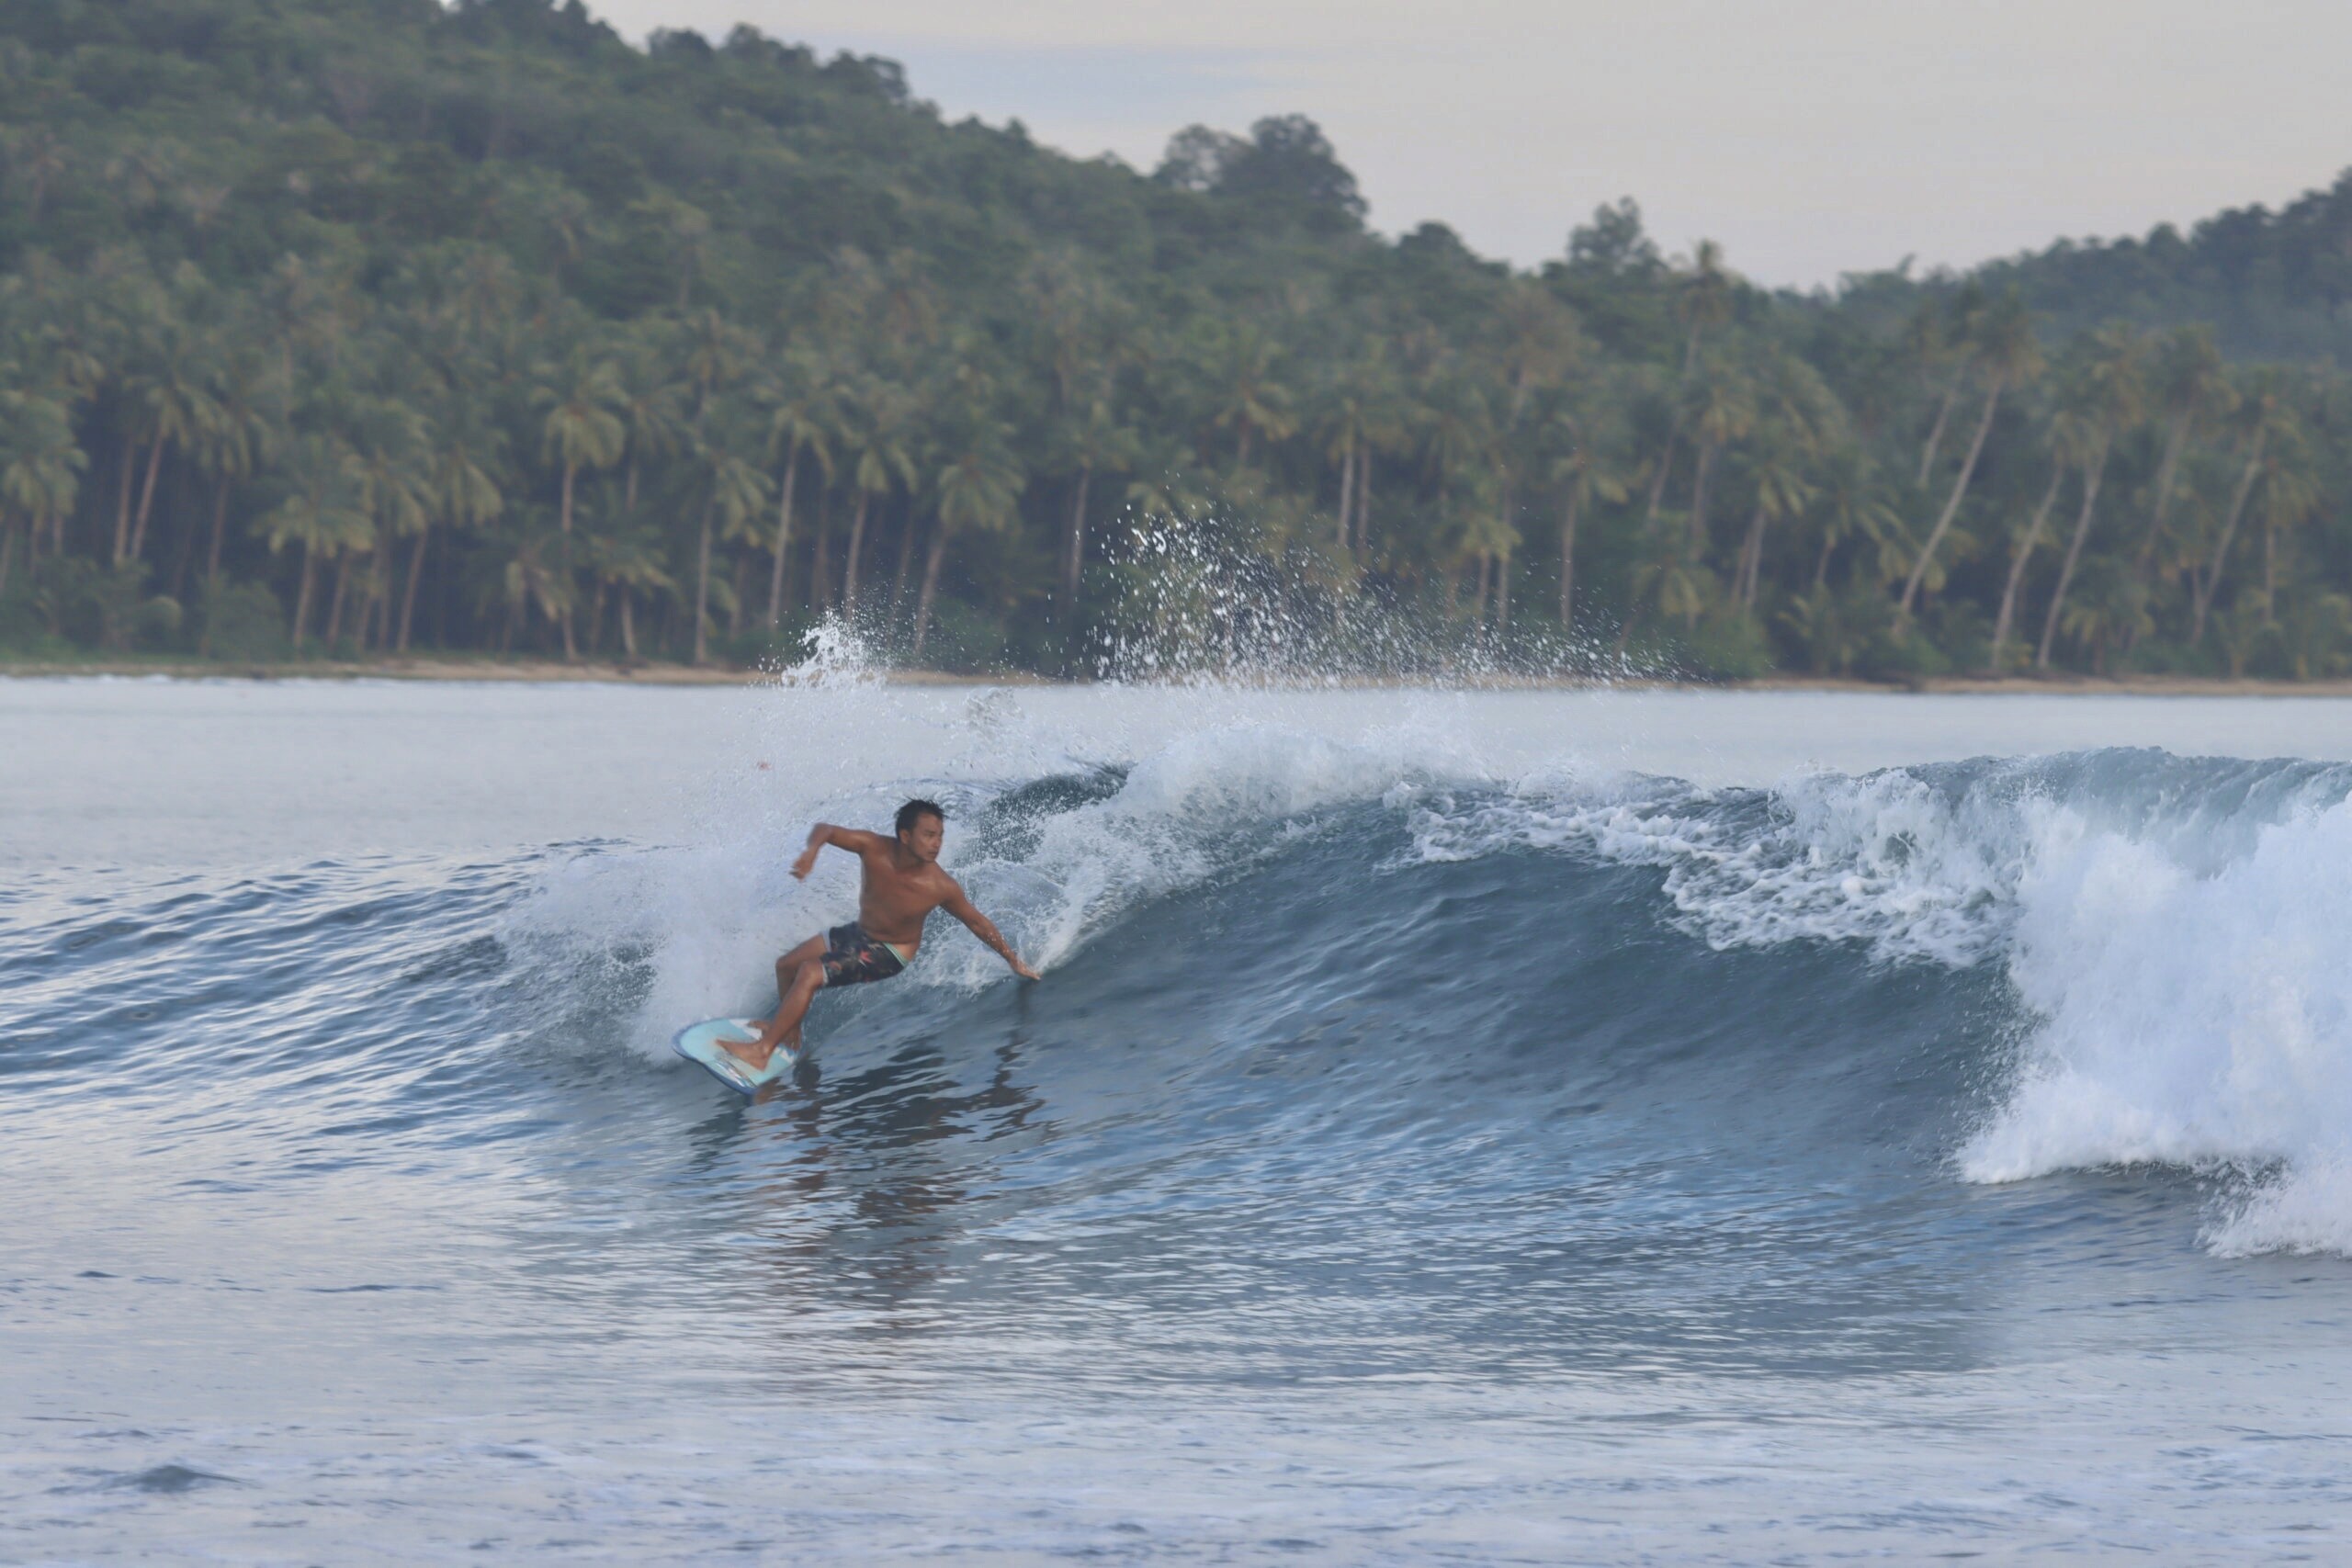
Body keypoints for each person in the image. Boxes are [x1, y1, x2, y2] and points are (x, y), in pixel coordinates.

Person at [721, 798, 1039, 1071]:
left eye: (940, 836)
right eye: (929, 835)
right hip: (858, 933)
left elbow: (978, 923)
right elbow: (826, 830)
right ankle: (788, 1032)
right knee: (786, 966)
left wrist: (1013, 959)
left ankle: (763, 1052)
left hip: (890, 952)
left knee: (808, 973)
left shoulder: (940, 886)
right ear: (904, 835)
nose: (936, 843)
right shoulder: (873, 848)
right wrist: (811, 853)